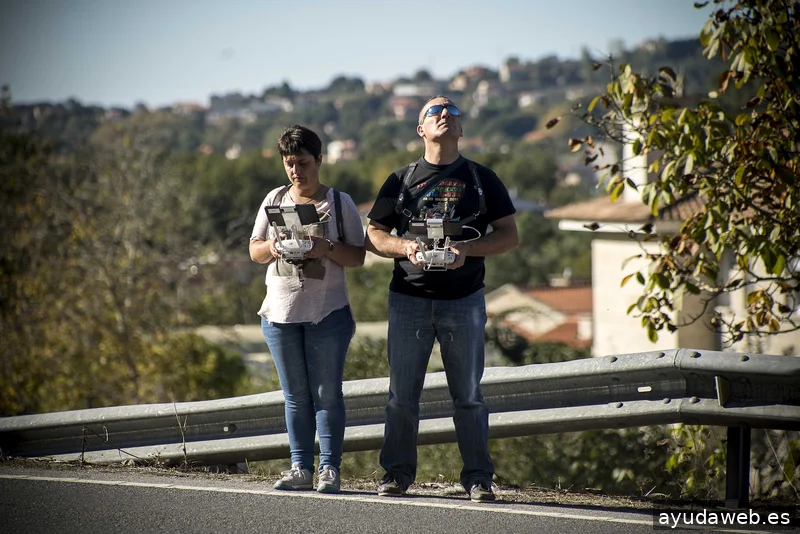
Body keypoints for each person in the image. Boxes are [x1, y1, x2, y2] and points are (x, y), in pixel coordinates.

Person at [365, 96, 519, 503]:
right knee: (402, 396)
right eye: (435, 112)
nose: (445, 115)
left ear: (462, 130)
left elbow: (509, 235)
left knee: (468, 395)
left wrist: (468, 251)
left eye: (453, 111)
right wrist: (406, 249)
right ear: (421, 129)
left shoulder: (482, 179)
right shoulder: (400, 180)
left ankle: (479, 478)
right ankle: (395, 475)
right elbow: (374, 234)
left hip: (464, 301)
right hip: (409, 299)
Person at [249, 125, 366, 493]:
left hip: (327, 312)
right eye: (289, 164)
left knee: (327, 393)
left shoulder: (339, 201)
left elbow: (358, 257)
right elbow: (254, 250)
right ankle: (300, 467)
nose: (296, 171)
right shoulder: (274, 198)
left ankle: (329, 469)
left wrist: (326, 247)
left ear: (319, 160)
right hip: (279, 314)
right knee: (295, 396)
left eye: (302, 162)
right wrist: (275, 247)